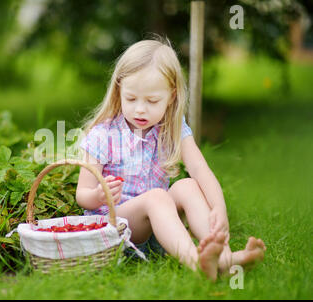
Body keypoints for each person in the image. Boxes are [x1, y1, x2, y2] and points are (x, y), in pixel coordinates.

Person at [75, 37, 266, 281]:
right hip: (115, 230)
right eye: (131, 99)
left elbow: (199, 169)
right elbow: (82, 194)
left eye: (152, 101)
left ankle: (224, 259)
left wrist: (219, 208)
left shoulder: (172, 128)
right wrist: (98, 196)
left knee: (187, 185)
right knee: (157, 196)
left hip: (160, 229)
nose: (140, 109)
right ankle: (197, 263)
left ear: (171, 96)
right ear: (119, 90)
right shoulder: (104, 135)